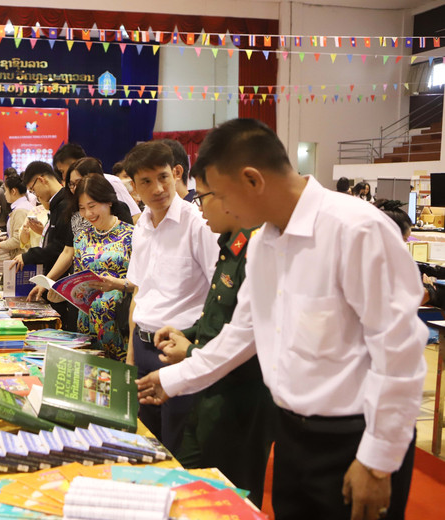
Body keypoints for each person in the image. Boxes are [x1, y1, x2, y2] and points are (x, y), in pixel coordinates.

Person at [136, 119, 425, 520]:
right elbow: (245, 331)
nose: (213, 208)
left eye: (216, 194)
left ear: (252, 179)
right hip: (289, 431)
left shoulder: (355, 230)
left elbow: (400, 353)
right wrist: (173, 379)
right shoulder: (266, 241)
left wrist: (378, 460)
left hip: (354, 436)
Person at [154, 167, 273, 506]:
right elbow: (218, 317)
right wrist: (186, 333)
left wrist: (189, 351)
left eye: (202, 197)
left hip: (241, 398)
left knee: (232, 495)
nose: (199, 207)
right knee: (192, 486)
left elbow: (250, 336)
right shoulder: (231, 244)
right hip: (209, 387)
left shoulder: (257, 249)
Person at [122, 140, 219, 453]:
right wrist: (131, 352)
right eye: (146, 182)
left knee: (178, 443)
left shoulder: (199, 223)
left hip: (177, 348)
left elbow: (220, 290)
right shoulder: (141, 227)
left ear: (176, 173)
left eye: (163, 177)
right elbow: (139, 290)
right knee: (146, 439)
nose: (158, 188)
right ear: (135, 188)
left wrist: (197, 348)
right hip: (142, 345)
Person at [54, 175, 134, 360]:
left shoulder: (131, 235)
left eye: (92, 206)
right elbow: (80, 279)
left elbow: (145, 283)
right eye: (82, 208)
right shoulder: (81, 238)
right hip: (88, 323)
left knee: (119, 379)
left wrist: (117, 284)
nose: (88, 214)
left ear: (108, 201)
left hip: (121, 323)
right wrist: (62, 291)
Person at [12, 161, 78, 330]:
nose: (35, 195)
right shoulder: (56, 204)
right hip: (53, 281)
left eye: (33, 190)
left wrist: (29, 256)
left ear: (41, 180)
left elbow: (61, 248)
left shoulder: (65, 204)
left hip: (62, 284)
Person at [53, 143, 141, 221]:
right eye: (72, 184)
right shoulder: (70, 208)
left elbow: (135, 216)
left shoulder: (112, 182)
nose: (64, 176)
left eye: (63, 171)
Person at [0, 173, 34, 257]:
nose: (5, 194)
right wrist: (6, 238)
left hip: (21, 258)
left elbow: (18, 240)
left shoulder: (20, 210)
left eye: (6, 190)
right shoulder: (24, 206)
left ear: (13, 191)